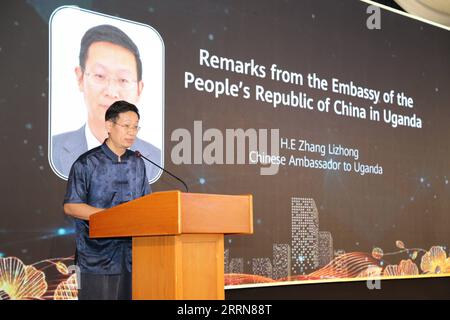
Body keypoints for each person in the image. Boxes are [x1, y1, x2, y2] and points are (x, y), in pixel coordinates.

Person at [63, 100, 150, 300]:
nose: (132, 132)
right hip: (96, 259)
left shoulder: (138, 163)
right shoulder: (87, 163)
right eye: (126, 126)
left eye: (135, 127)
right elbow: (71, 205)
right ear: (109, 126)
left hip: (132, 257)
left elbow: (146, 205)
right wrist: (111, 217)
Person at [52, 24, 161, 181]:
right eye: (100, 76)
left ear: (139, 89)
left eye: (123, 79)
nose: (111, 91)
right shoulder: (55, 149)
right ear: (80, 78)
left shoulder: (155, 160)